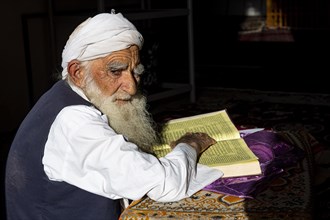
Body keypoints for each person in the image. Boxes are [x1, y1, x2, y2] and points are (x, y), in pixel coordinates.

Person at [5, 11, 223, 220]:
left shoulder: (66, 95)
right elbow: (165, 184)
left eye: (135, 71)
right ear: (78, 73)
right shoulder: (74, 124)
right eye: (115, 71)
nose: (131, 87)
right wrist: (189, 144)